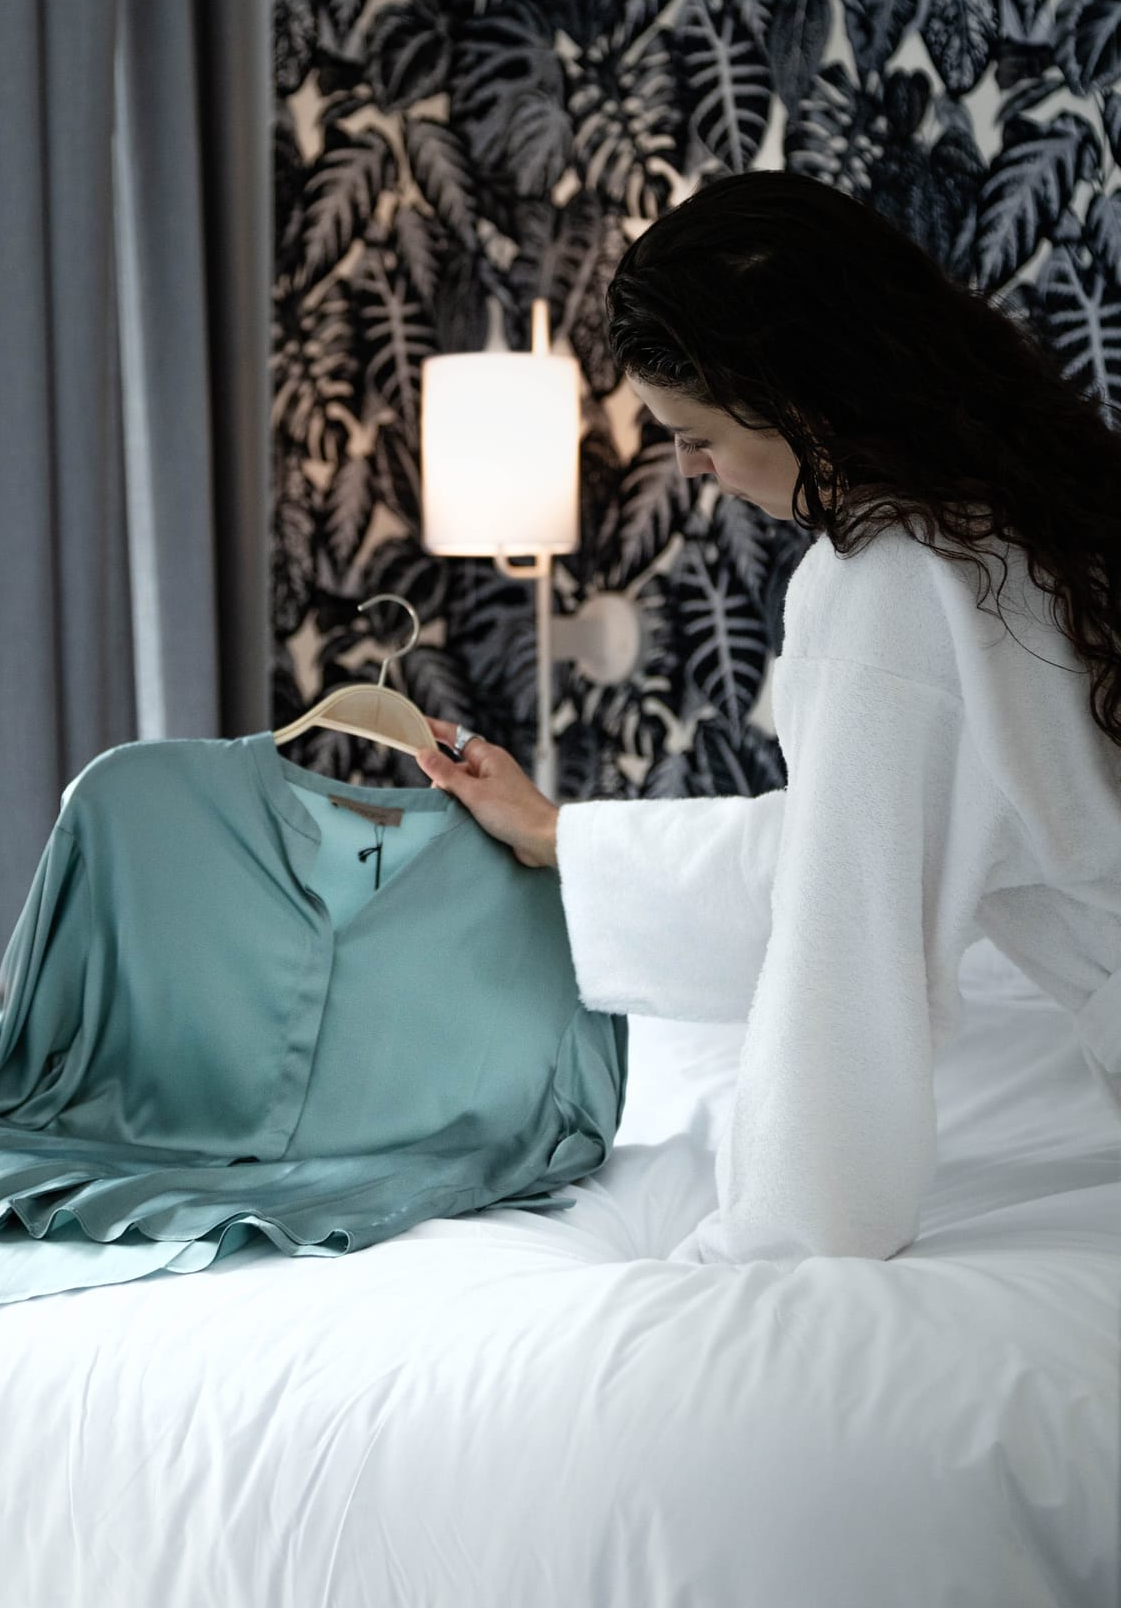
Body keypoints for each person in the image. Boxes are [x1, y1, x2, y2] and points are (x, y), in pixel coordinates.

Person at [415, 168, 1121, 1264]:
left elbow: (848, 941)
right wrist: (560, 834)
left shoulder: (890, 584)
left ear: (804, 395)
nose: (692, 469)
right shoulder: (1033, 512)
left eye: (697, 433)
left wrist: (782, 1241)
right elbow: (850, 837)